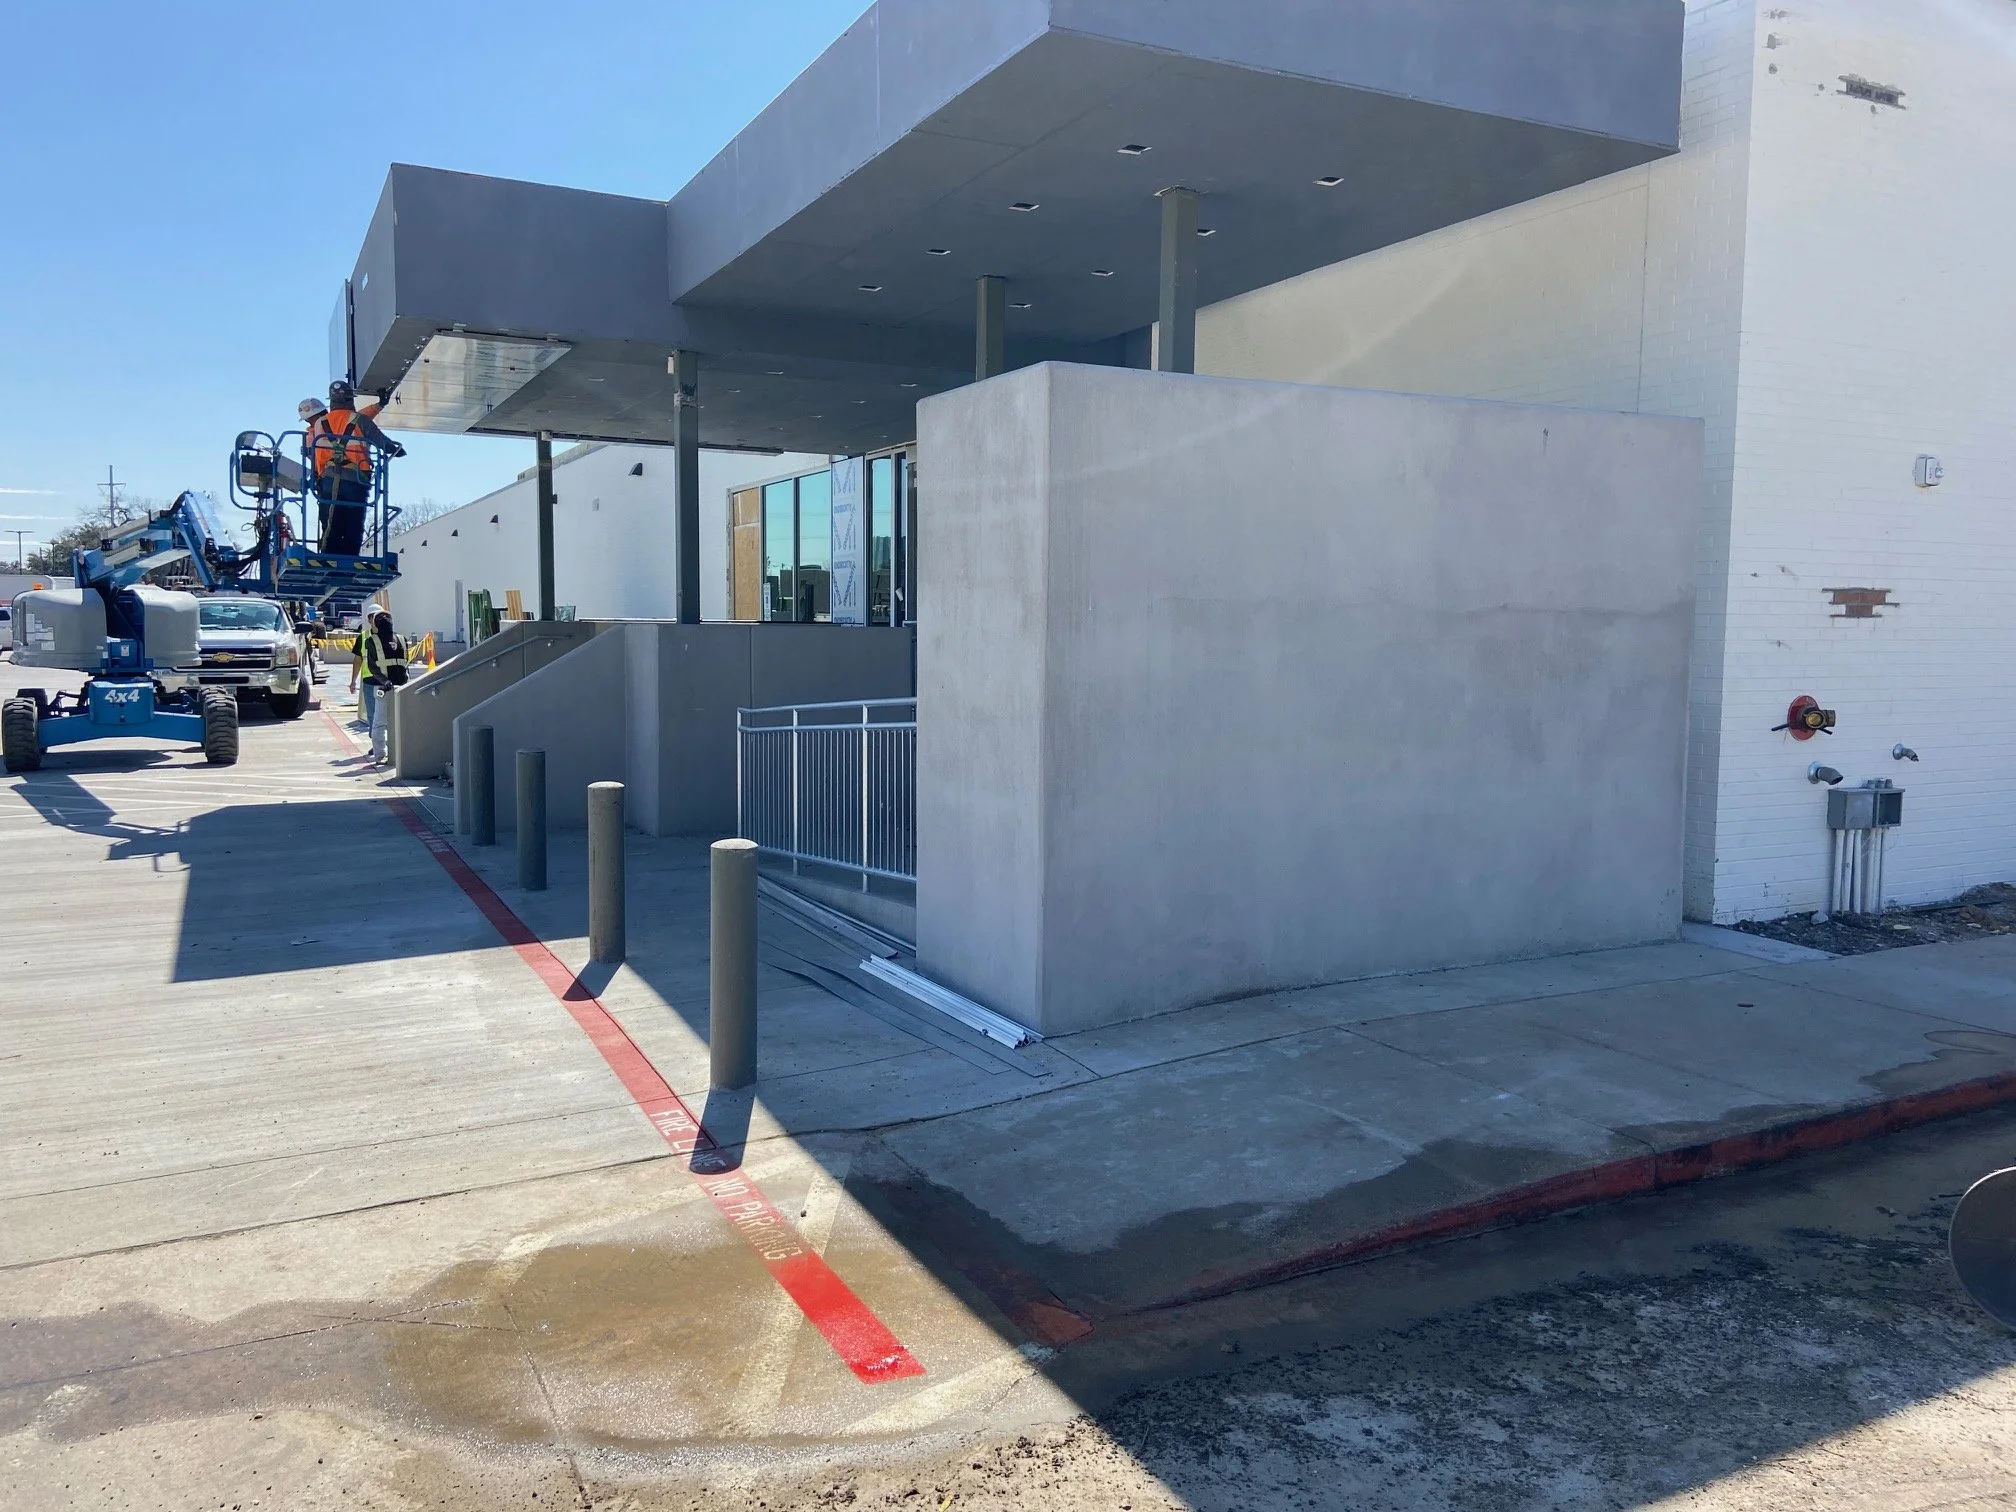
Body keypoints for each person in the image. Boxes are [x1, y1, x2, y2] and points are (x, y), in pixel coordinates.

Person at [308, 381, 403, 554]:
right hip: (356, 480)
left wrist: (315, 476)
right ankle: (351, 558)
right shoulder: (360, 420)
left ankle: (329, 557)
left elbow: (312, 453)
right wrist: (397, 450)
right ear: (350, 399)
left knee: (330, 522)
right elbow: (382, 442)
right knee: (353, 523)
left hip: (328, 479)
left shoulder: (319, 424)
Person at [349, 608, 408, 764]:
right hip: (383, 685)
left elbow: (404, 662)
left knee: (380, 722)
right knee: (380, 720)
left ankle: (386, 752)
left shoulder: (399, 639)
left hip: (390, 685)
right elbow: (368, 664)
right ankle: (381, 753)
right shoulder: (370, 640)